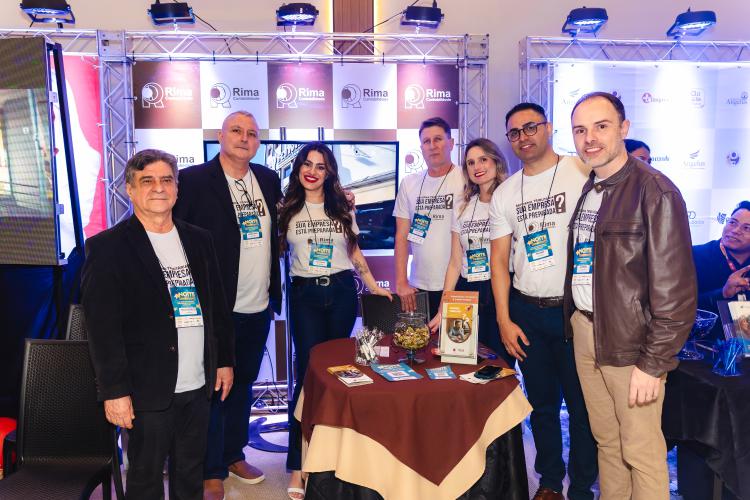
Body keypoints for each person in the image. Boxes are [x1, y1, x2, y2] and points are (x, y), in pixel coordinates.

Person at [564, 92, 697, 500]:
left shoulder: (655, 191)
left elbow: (676, 294)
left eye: (601, 126)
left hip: (631, 345)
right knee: (608, 442)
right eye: (580, 130)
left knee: (642, 452)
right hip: (587, 331)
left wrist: (652, 363)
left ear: (624, 128)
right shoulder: (592, 187)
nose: (589, 138)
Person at [82, 149, 235, 500]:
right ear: (130, 189)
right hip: (145, 389)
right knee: (145, 479)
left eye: (167, 180)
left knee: (190, 474)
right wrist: (114, 392)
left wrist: (224, 360)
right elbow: (102, 330)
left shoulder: (200, 240)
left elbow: (217, 308)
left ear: (177, 188)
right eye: (147, 180)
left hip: (198, 383)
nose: (159, 188)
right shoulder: (107, 248)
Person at [489, 103, 598, 500]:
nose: (523, 137)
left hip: (575, 311)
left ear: (548, 128)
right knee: (541, 405)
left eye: (530, 127)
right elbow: (499, 262)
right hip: (526, 312)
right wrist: (504, 320)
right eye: (514, 132)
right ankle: (550, 481)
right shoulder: (505, 192)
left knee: (583, 408)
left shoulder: (582, 171)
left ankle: (582, 487)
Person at [173, 111, 282, 499]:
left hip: (258, 305)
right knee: (214, 388)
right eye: (236, 130)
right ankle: (210, 468)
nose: (244, 138)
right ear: (220, 136)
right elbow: (175, 235)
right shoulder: (193, 180)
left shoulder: (267, 179)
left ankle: (234, 453)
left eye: (252, 133)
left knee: (244, 383)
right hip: (214, 308)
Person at [281, 142, 392, 500]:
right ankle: (298, 465)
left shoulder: (342, 207)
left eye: (321, 166)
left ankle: (332, 460)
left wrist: (373, 286)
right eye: (307, 164)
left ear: (329, 172)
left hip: (342, 293)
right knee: (307, 378)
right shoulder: (287, 208)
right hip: (305, 297)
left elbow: (353, 250)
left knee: (338, 375)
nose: (312, 171)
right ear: (298, 169)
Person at [426, 138, 515, 367]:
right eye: (471, 162)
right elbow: (455, 262)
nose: (477, 167)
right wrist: (443, 308)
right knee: (461, 363)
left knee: (498, 366)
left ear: (496, 162)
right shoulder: (462, 205)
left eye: (483, 159)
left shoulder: (510, 200)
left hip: (500, 290)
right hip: (466, 291)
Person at [393, 116, 465, 318]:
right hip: (418, 286)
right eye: (426, 141)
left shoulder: (466, 179)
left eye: (438, 139)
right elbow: (401, 236)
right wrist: (401, 281)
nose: (432, 146)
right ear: (421, 148)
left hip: (459, 283)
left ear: (451, 143)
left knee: (455, 339)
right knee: (421, 337)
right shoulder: (409, 183)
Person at [692, 201, 750, 340]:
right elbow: (678, 305)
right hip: (704, 344)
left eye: (746, 228)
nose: (735, 230)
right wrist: (722, 293)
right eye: (732, 223)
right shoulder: (695, 256)